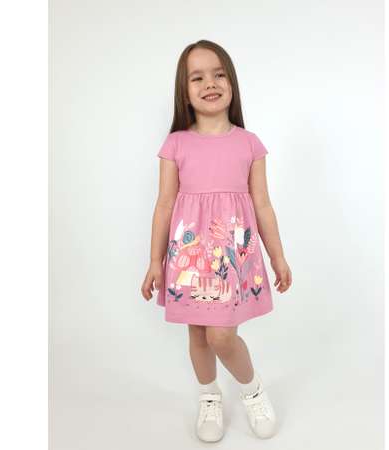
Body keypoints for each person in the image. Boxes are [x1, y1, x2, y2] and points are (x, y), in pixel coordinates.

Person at [141, 39, 292, 442]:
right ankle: (209, 396)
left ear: (231, 82)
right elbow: (164, 205)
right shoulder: (176, 144)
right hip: (190, 257)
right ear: (184, 92)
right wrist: (155, 261)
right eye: (198, 77)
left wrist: (277, 256)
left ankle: (252, 389)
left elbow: (262, 205)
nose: (210, 83)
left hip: (231, 257)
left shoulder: (249, 143)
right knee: (197, 334)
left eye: (218, 74)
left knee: (221, 335)